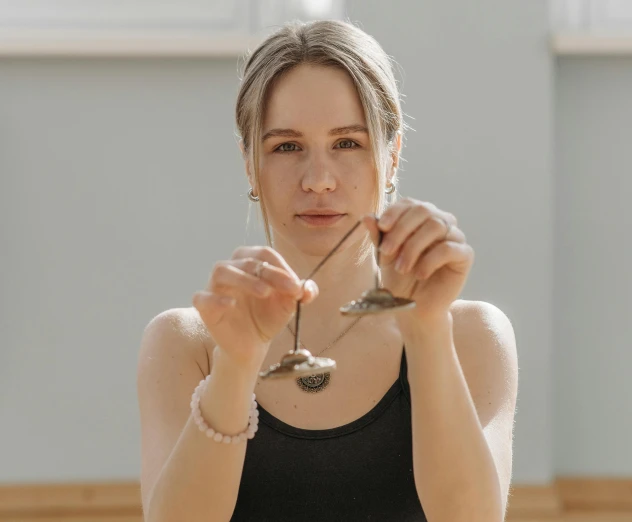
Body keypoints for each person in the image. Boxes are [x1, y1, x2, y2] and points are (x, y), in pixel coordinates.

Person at [136, 19, 518, 522]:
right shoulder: (184, 343)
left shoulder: (472, 334)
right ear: (251, 165)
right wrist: (237, 364)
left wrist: (425, 329)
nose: (318, 180)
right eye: (287, 146)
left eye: (347, 143)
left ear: (392, 153)